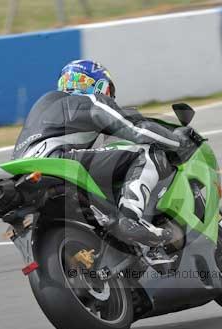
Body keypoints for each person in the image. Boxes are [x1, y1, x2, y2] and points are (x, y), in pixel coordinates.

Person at [12, 59, 189, 247]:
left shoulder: (41, 107)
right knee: (145, 152)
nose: (110, 96)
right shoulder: (89, 99)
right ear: (99, 85)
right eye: (108, 90)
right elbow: (136, 129)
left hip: (21, 174)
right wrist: (178, 142)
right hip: (56, 161)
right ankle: (130, 218)